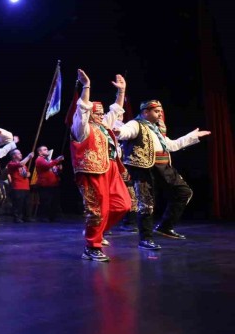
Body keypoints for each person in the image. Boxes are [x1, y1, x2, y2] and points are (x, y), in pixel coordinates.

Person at [115, 99, 210, 250]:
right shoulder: (135, 124)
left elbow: (171, 145)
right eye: (156, 111)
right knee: (146, 204)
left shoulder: (157, 129)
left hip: (163, 167)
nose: (160, 114)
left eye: (160, 111)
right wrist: (119, 132)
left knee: (184, 192)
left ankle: (165, 226)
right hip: (144, 168)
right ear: (145, 112)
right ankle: (145, 239)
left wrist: (192, 136)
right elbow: (126, 132)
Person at [70, 70, 131, 262]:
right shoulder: (81, 128)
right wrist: (86, 86)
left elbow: (116, 111)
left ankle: (99, 231)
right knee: (97, 209)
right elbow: (82, 109)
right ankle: (92, 247)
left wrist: (121, 92)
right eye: (96, 112)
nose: (100, 115)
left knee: (123, 204)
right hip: (93, 171)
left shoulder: (104, 126)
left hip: (111, 168)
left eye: (101, 113)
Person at [34, 146, 65, 222]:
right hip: (45, 185)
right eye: (45, 150)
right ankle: (43, 217)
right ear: (40, 152)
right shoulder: (39, 159)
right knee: (46, 202)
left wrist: (59, 169)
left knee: (54, 202)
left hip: (54, 185)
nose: (47, 150)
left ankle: (52, 217)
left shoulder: (50, 160)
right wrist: (57, 160)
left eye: (47, 149)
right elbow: (47, 166)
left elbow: (54, 170)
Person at [6, 150, 34, 223]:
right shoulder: (11, 164)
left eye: (20, 153)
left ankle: (27, 217)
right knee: (18, 204)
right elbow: (21, 164)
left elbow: (27, 173)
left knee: (27, 203)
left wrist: (28, 174)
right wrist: (28, 157)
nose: (21, 154)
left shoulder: (24, 165)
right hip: (17, 187)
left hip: (26, 186)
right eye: (19, 153)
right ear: (14, 156)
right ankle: (17, 217)